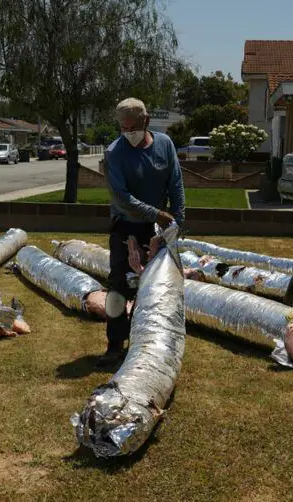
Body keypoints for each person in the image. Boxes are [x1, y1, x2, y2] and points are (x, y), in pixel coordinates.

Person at [99, 97, 185, 367]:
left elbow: (176, 184)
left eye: (132, 127)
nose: (128, 133)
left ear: (146, 121)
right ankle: (114, 345)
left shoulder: (164, 145)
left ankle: (143, 342)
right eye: (123, 128)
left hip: (157, 229)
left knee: (152, 287)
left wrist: (176, 222)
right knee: (118, 288)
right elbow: (122, 197)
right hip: (125, 226)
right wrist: (157, 213)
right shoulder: (115, 152)